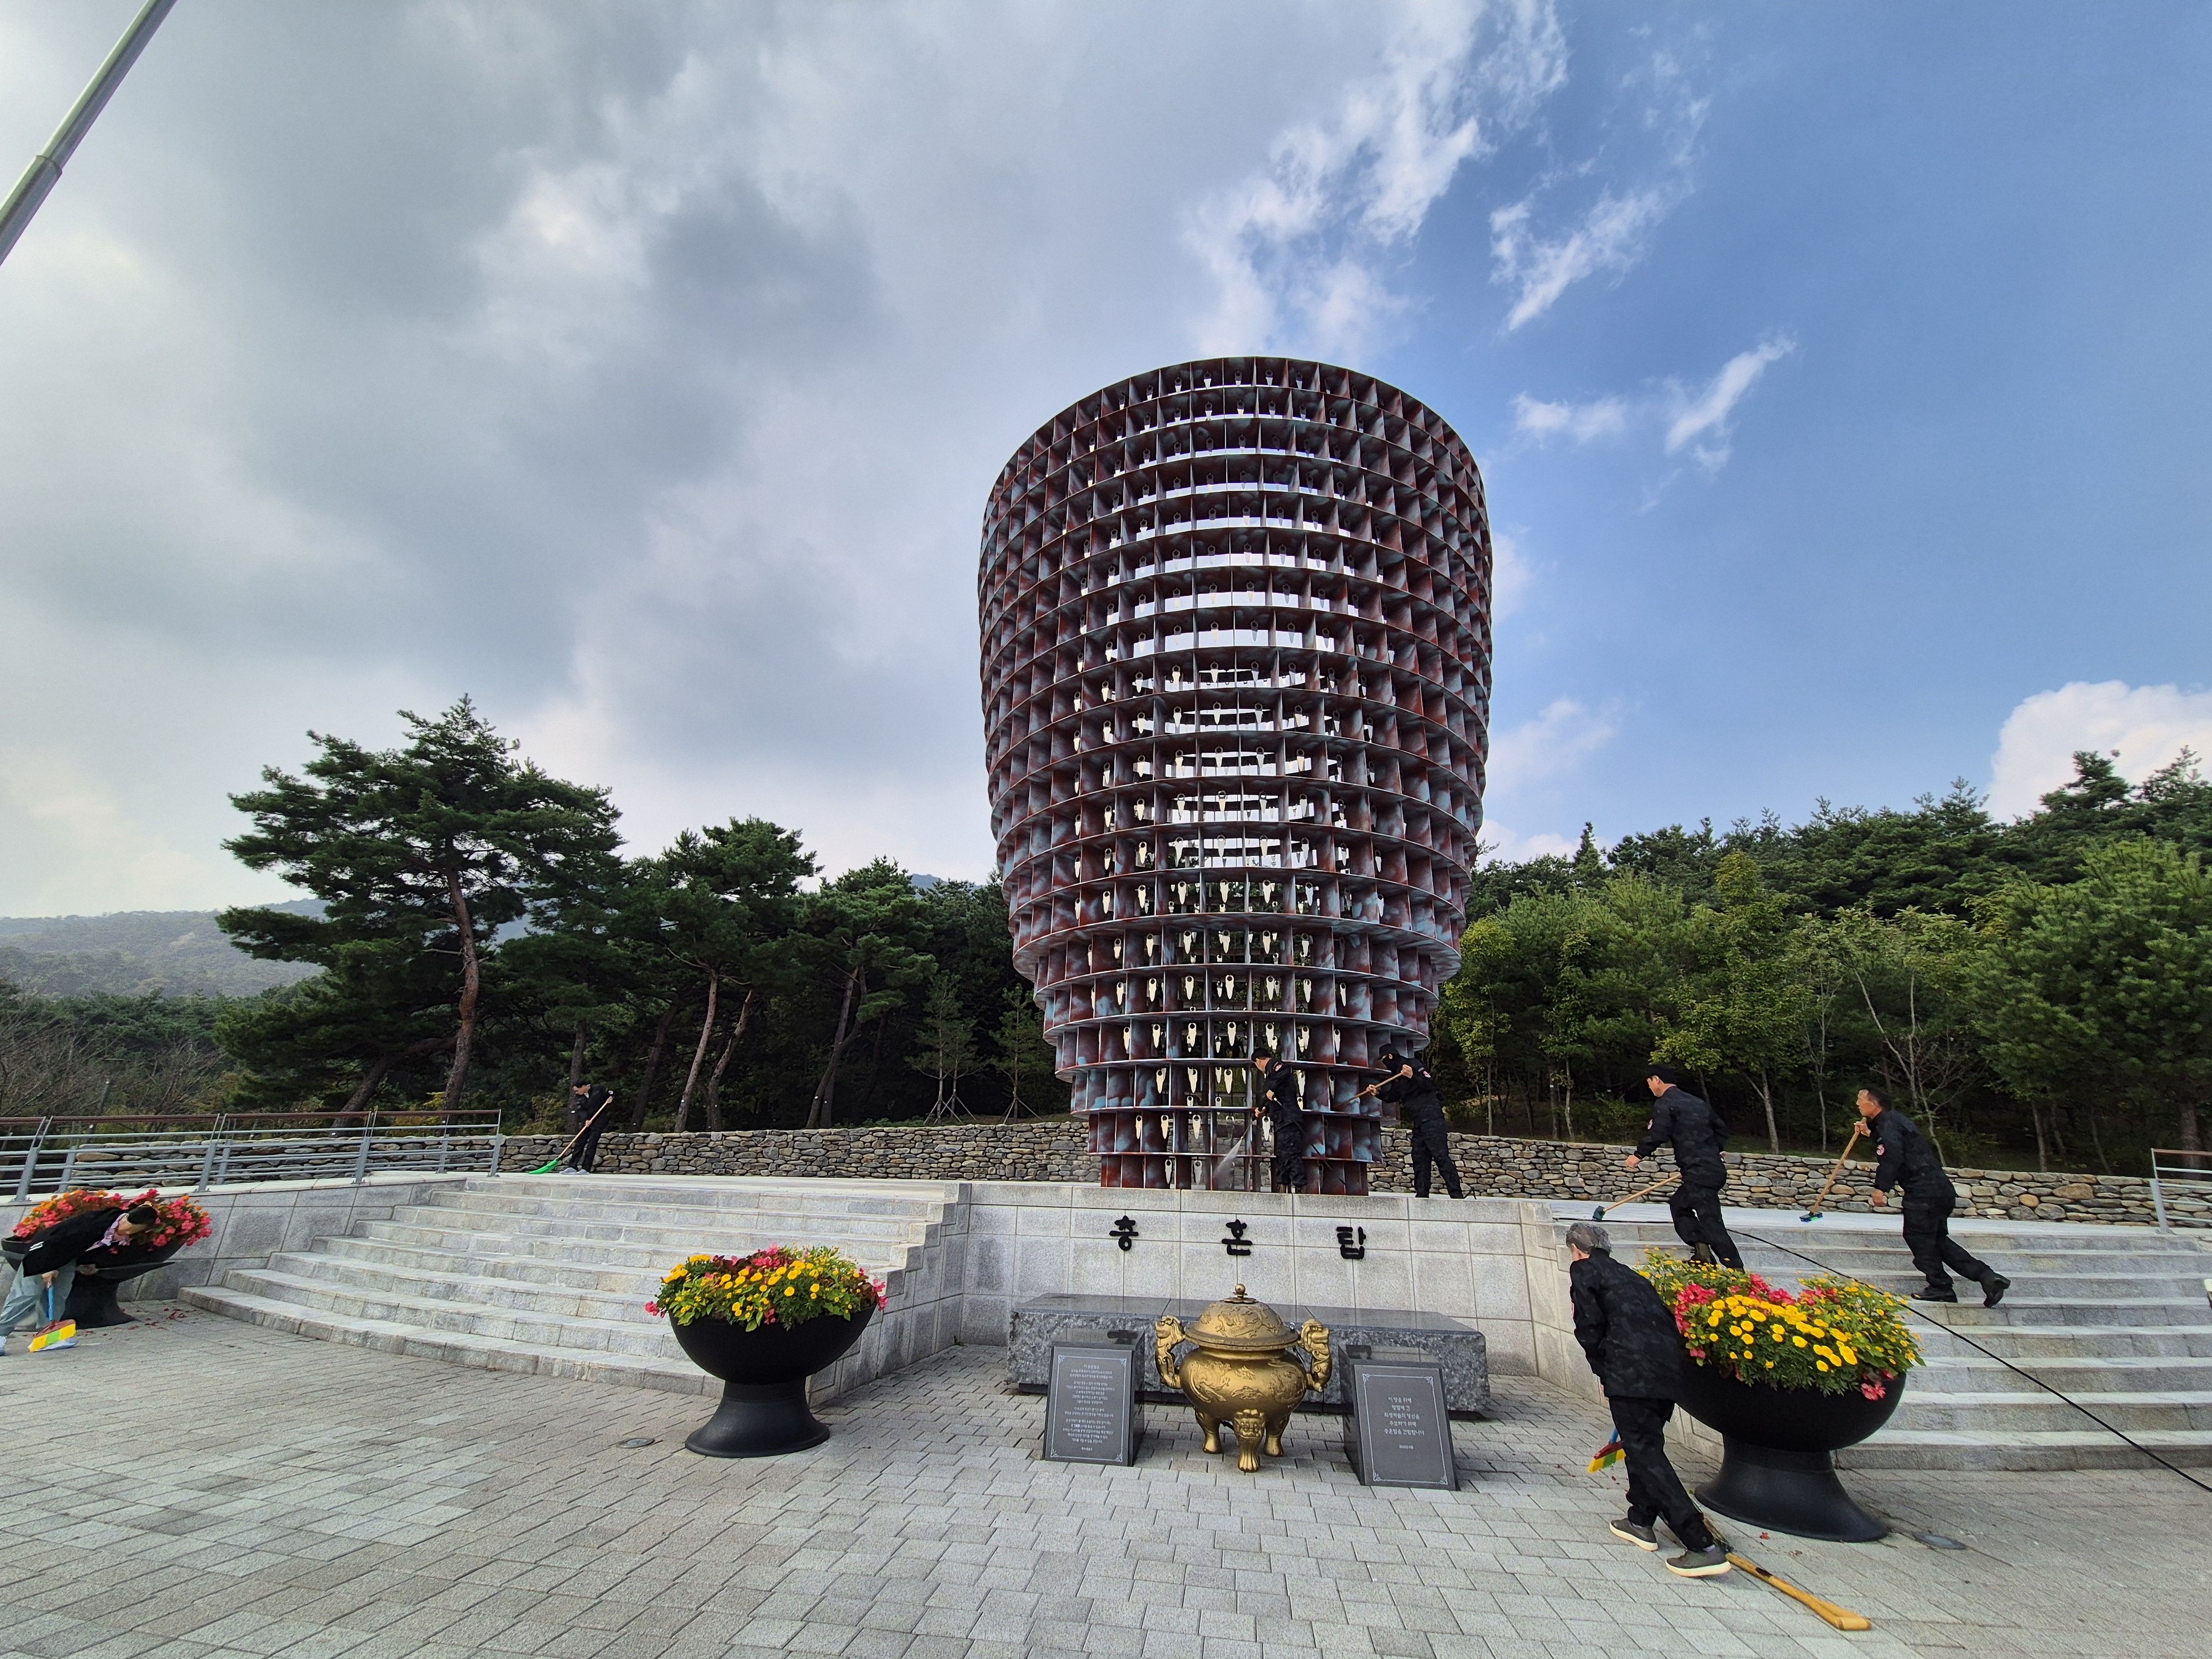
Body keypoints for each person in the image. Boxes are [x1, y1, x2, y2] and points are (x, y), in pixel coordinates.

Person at [1566, 1220, 1731, 1578]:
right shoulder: (1631, 1277)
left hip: (1631, 1374)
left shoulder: (1584, 1270)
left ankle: (1700, 1543)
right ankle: (1640, 1519)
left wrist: (1604, 1372)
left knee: (1645, 1452)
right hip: (1667, 1372)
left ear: (1578, 1251)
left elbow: (1589, 1326)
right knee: (1645, 1446)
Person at [1860, 1086, 2010, 1306]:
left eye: (1861, 1099)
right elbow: (1896, 1145)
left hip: (1923, 1192)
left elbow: (1892, 1156)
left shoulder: (1888, 1123)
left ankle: (1940, 1287)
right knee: (1935, 1240)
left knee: (1918, 1237)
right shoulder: (1895, 1121)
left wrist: (1881, 1188)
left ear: (1874, 1104)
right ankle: (1988, 1277)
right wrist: (1871, 1134)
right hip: (1938, 1189)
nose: (1858, 1104)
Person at [0, 1201, 159, 1354]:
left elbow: (85, 1248)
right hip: (42, 1255)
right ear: (126, 1219)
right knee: (27, 1295)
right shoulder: (92, 1225)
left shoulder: (116, 1228)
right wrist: (48, 1269)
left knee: (57, 1295)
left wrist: (87, 1264)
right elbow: (55, 1242)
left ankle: (47, 1336)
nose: (128, 1233)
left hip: (67, 1259)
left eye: (133, 1231)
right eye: (129, 1227)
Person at [1626, 1065, 1743, 1270]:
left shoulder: (1666, 1103)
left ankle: (1736, 1269)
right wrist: (1710, 1153)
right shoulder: (1697, 1102)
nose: (1650, 1087)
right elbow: (1721, 1130)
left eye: (1649, 1082)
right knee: (1680, 1206)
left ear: (1656, 1080)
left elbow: (1659, 1133)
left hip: (1699, 1172)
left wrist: (1638, 1155)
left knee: (1711, 1223)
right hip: (1708, 1169)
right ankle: (1702, 1252)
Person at [1362, 1046, 1463, 1199]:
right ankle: (1422, 1195)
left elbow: (1429, 1085)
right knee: (1419, 1159)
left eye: (1383, 1060)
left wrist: (1413, 1075)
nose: (1384, 1063)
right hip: (1419, 1122)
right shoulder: (1396, 1076)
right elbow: (1393, 1096)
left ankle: (1456, 1195)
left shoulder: (1414, 1064)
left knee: (1441, 1156)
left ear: (1390, 1057)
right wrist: (1378, 1093)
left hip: (1432, 1118)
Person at [1249, 1055, 1306, 1193]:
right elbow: (1272, 1096)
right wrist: (1262, 1108)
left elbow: (1284, 1074)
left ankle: (1300, 1186)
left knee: (1292, 1153)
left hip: (1289, 1119)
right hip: (1282, 1120)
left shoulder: (1275, 1065)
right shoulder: (1271, 1076)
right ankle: (1282, 1185)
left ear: (1258, 1061)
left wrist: (1272, 1089)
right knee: (1282, 1154)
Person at [565, 1082, 617, 1174]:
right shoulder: (580, 1097)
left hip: (599, 1120)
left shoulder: (599, 1089)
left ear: (584, 1087)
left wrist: (612, 1098)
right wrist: (586, 1120)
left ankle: (586, 1169)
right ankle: (572, 1166)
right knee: (580, 1142)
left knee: (592, 1144)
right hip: (587, 1121)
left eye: (577, 1090)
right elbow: (581, 1110)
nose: (576, 1092)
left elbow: (611, 1094)